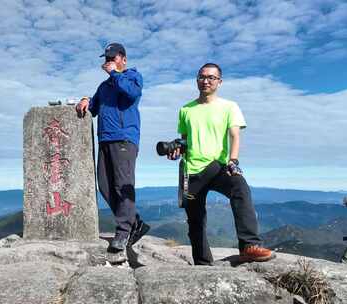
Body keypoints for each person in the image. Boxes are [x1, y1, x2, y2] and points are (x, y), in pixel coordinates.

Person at [167, 63, 274, 265]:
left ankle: (249, 246)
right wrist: (177, 150)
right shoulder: (185, 110)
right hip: (192, 171)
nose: (205, 81)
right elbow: (185, 140)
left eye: (211, 77)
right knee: (195, 221)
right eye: (201, 77)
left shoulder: (229, 106)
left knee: (240, 188)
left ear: (219, 82)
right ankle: (202, 264)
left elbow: (235, 136)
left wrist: (233, 162)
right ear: (197, 79)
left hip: (218, 167)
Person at [76, 43, 149, 252]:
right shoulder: (104, 86)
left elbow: (131, 93)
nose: (108, 61)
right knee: (105, 186)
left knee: (122, 184)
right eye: (106, 58)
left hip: (124, 138)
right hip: (105, 139)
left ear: (123, 59)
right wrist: (85, 101)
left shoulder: (133, 77)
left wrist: (115, 74)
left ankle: (124, 230)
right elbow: (95, 108)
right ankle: (134, 222)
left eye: (112, 57)